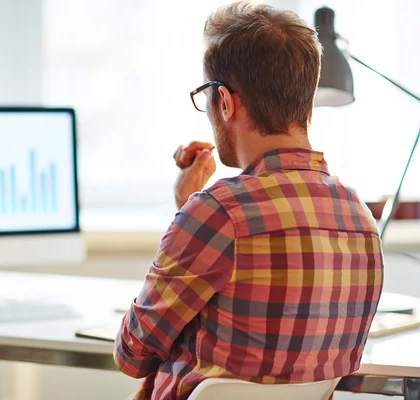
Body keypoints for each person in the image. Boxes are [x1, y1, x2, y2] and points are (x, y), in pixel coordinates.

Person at [113, 2, 384, 399]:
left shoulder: (217, 213)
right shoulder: (360, 220)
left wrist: (190, 212)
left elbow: (131, 354)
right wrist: (192, 212)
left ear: (225, 101)